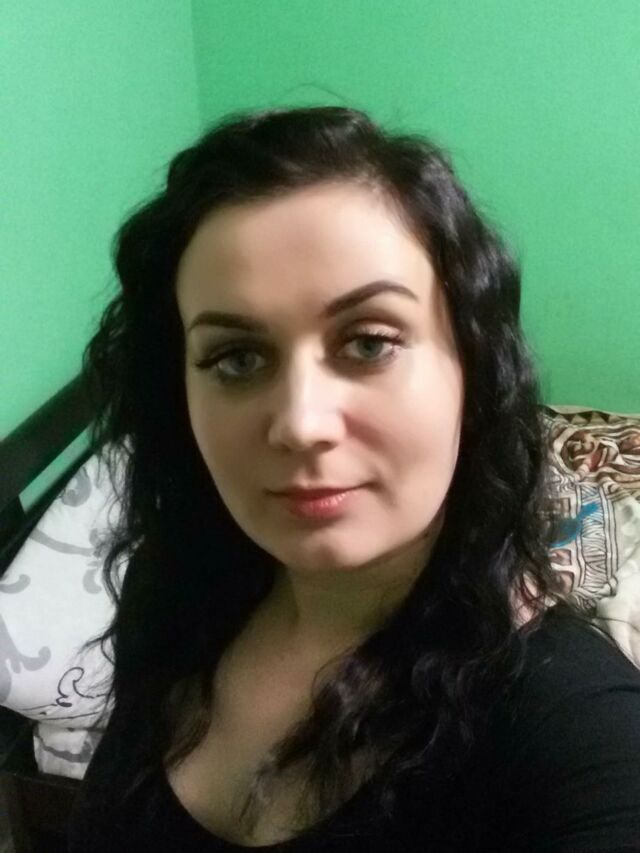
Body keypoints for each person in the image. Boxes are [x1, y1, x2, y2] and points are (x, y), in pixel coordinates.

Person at [67, 105, 640, 852]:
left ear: (472, 369)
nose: (301, 423)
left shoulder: (577, 730)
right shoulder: (174, 587)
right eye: (236, 358)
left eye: (369, 343)